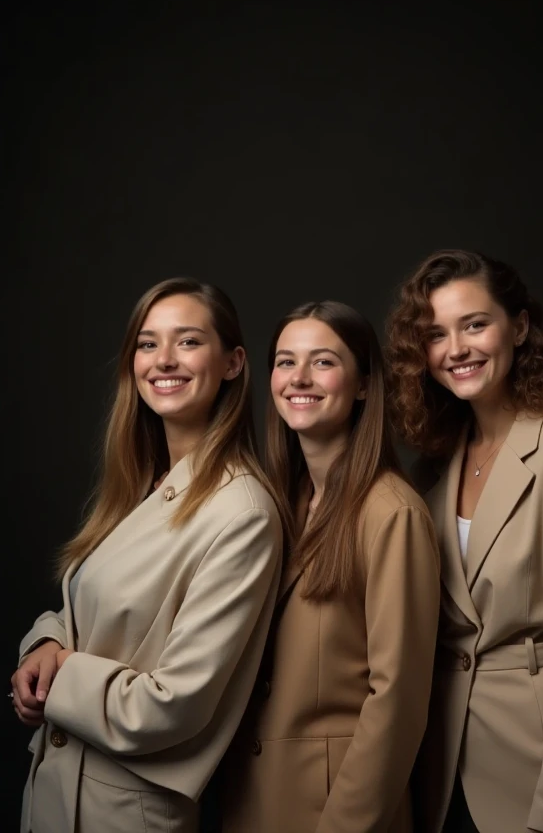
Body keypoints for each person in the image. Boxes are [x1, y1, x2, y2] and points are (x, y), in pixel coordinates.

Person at [11, 278, 286, 833]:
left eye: (187, 342)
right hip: (57, 792)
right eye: (147, 343)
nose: (163, 360)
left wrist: (62, 673)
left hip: (121, 813)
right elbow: (89, 611)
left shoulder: (244, 512)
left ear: (233, 363)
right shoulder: (143, 483)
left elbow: (174, 704)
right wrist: (44, 642)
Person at [385, 250, 543, 833]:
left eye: (475, 324)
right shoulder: (432, 470)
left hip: (541, 770)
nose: (457, 349)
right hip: (441, 773)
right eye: (435, 335)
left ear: (519, 327)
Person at [221, 300, 441, 833]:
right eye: (284, 361)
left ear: (364, 384)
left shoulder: (393, 512)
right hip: (253, 800)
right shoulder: (277, 505)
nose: (299, 377)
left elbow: (398, 700)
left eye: (323, 361)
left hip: (336, 811)